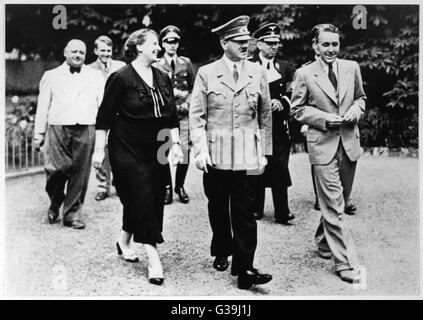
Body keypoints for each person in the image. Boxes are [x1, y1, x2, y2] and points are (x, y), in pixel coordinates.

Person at [92, 29, 183, 286]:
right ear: (139, 47)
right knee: (141, 193)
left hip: (157, 146)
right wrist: (99, 151)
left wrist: (175, 144)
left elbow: (171, 116)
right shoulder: (120, 77)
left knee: (155, 194)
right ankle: (153, 256)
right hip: (126, 146)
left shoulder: (163, 76)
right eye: (154, 44)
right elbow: (104, 118)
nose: (158, 48)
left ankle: (123, 240)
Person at [189, 15, 273, 290]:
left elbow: (265, 115)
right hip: (216, 152)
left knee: (245, 210)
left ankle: (245, 267)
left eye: (247, 41)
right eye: (238, 41)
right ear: (224, 42)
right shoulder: (207, 73)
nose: (245, 45)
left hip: (247, 152)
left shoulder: (258, 72)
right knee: (218, 205)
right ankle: (222, 247)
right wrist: (199, 150)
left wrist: (265, 152)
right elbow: (197, 116)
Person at [290, 24, 366, 282]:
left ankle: (323, 242)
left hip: (349, 144)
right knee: (334, 205)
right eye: (325, 44)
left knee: (339, 200)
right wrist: (325, 118)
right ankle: (345, 262)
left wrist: (357, 109)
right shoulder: (304, 74)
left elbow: (360, 98)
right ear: (315, 46)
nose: (331, 49)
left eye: (335, 44)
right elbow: (297, 110)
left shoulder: (352, 67)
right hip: (322, 144)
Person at [33, 39, 104, 229]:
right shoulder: (51, 75)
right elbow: (42, 106)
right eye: (74, 51)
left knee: (80, 173)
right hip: (58, 127)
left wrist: (105, 132)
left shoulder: (96, 76)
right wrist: (38, 133)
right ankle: (56, 200)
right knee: (55, 170)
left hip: (86, 126)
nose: (78, 55)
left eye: (82, 52)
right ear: (65, 52)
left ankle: (72, 214)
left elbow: (103, 106)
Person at [250, 23, 295, 225]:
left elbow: (294, 92)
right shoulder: (248, 65)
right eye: (269, 43)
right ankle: (255, 208)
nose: (274, 47)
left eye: (276, 43)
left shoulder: (285, 67)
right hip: (255, 123)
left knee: (279, 166)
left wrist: (282, 101)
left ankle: (282, 211)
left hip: (278, 125)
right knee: (256, 164)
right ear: (259, 44)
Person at [155, 25, 195, 204]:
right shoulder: (157, 64)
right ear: (162, 43)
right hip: (164, 116)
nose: (172, 45)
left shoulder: (185, 62)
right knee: (163, 153)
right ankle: (166, 187)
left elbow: (193, 87)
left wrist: (188, 103)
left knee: (184, 152)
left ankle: (180, 185)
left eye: (175, 41)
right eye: (168, 41)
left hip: (183, 114)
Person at [88, 35, 126, 201]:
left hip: (118, 115)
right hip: (98, 115)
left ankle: (119, 183)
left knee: (118, 150)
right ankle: (103, 186)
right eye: (102, 50)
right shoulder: (88, 69)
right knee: (100, 149)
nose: (105, 53)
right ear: (96, 51)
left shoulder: (121, 66)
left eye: (108, 50)